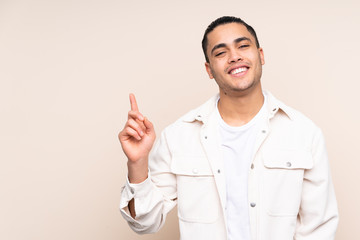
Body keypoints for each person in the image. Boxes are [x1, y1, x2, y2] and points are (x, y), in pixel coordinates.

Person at [118, 16, 338, 240]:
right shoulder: (178, 136)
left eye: (243, 46)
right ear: (209, 69)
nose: (234, 56)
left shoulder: (304, 133)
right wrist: (137, 163)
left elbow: (319, 228)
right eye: (220, 53)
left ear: (260, 56)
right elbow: (144, 222)